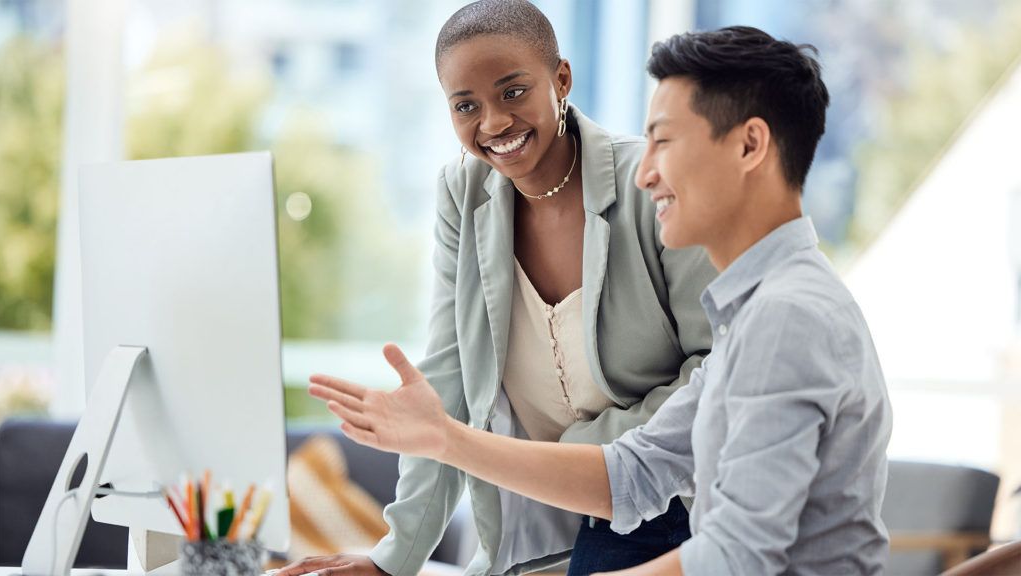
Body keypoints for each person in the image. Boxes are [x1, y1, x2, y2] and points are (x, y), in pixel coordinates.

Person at [310, 26, 894, 576]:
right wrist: (444, 437)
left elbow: (736, 554)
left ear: (749, 146)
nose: (645, 173)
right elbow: (636, 472)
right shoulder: (755, 311)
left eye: (664, 141)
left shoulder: (786, 317)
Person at [278, 2, 716, 575]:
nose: (493, 123)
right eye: (466, 105)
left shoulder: (651, 184)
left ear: (561, 79)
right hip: (541, 511)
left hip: (675, 499)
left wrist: (578, 455)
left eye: (513, 92)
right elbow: (449, 378)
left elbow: (719, 366)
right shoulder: (463, 195)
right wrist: (393, 560)